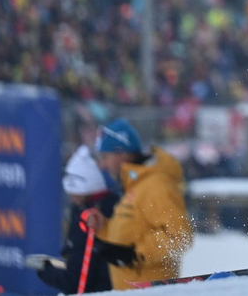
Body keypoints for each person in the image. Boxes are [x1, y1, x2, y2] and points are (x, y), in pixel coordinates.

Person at [84, 119, 194, 290]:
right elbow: (131, 235)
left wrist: (135, 255)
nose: (102, 165)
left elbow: (180, 236)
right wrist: (103, 228)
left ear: (123, 153)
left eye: (105, 157)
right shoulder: (135, 187)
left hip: (152, 290)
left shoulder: (156, 185)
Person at [32, 145, 119, 293]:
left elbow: (77, 282)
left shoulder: (87, 220)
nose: (72, 198)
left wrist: (44, 270)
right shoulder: (116, 205)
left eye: (74, 193)